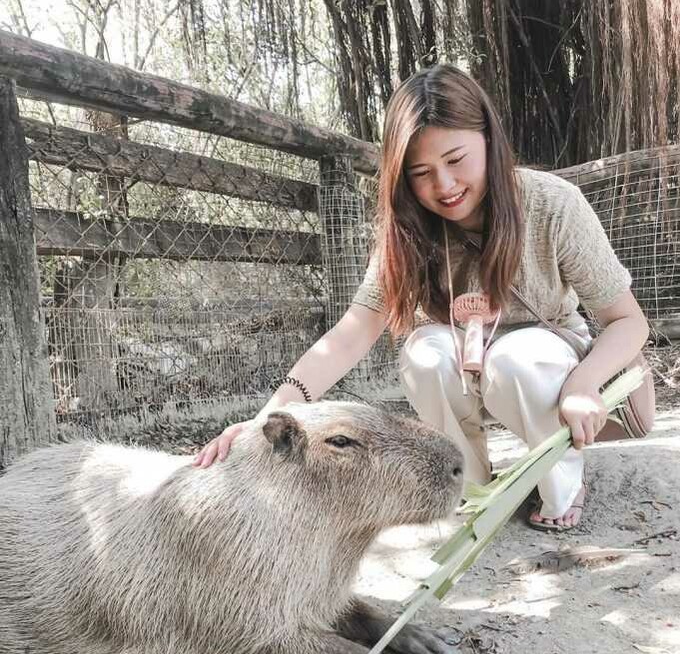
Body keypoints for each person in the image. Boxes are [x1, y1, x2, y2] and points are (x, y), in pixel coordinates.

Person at [193, 64, 650, 532]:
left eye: (456, 160)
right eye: (421, 172)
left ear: (488, 139)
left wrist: (582, 384)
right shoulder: (407, 228)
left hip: (546, 360)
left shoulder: (552, 203)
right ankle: (470, 485)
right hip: (463, 358)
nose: (444, 186)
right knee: (424, 353)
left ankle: (563, 485)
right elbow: (354, 331)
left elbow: (628, 321)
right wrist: (267, 418)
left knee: (519, 358)